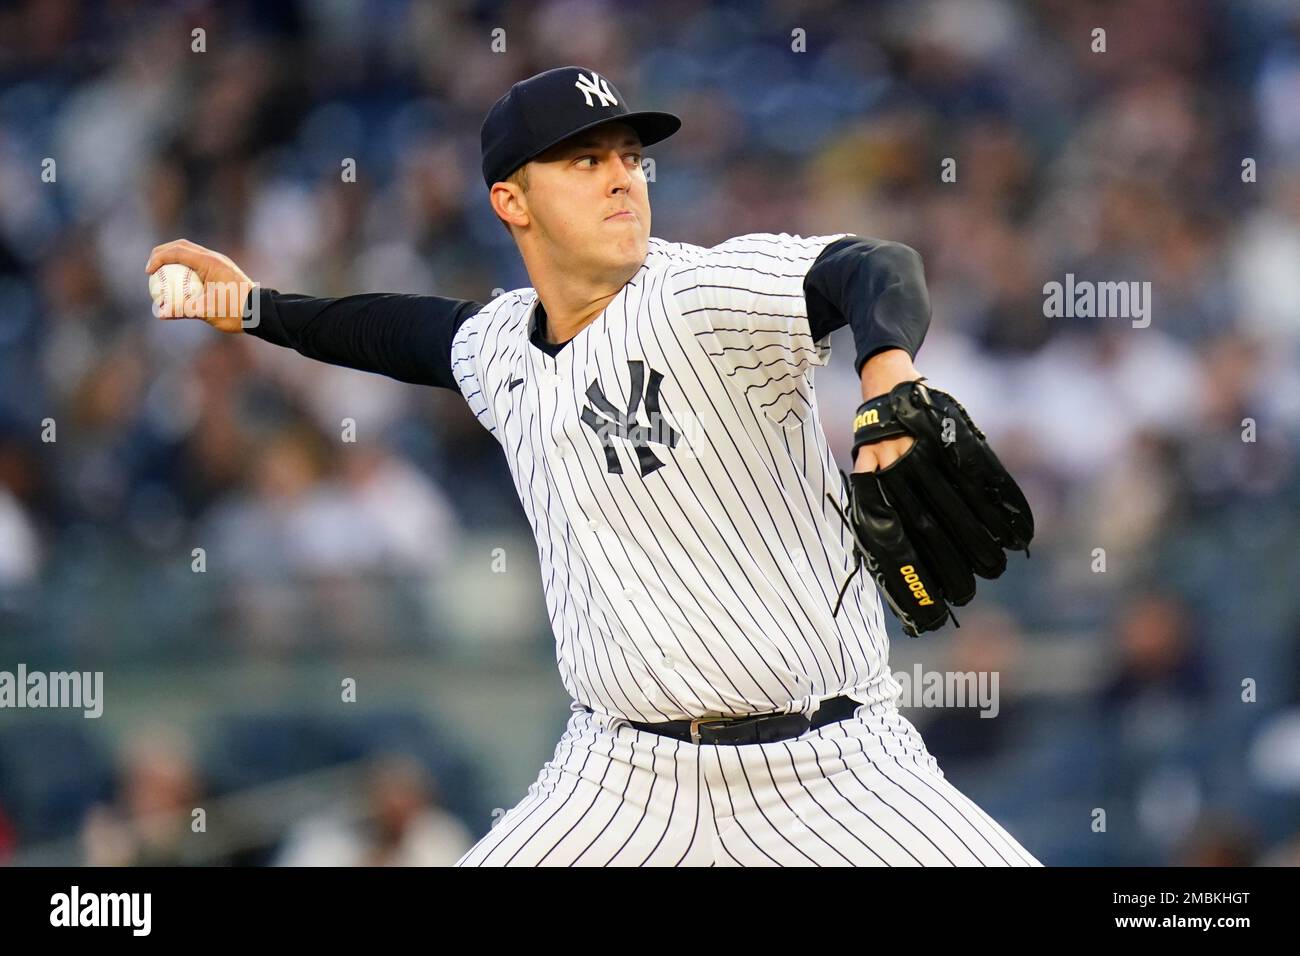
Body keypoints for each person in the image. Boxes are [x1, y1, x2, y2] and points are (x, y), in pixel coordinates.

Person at [147, 66, 1040, 866]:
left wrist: (885, 365)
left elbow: (873, 265)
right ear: (511, 202)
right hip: (621, 778)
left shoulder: (698, 297)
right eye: (583, 161)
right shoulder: (499, 346)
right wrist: (254, 305)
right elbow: (399, 332)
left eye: (628, 156)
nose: (621, 175)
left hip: (836, 765)